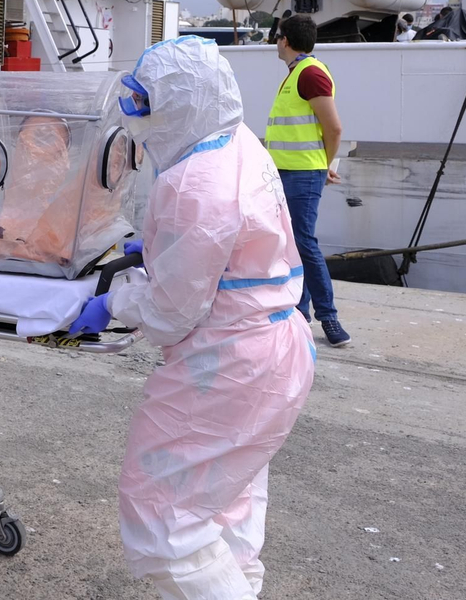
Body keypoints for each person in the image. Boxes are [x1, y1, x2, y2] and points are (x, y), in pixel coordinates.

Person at [65, 35, 316, 600]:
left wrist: (114, 301)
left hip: (226, 362)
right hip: (276, 348)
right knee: (228, 501)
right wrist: (155, 254)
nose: (136, 120)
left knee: (164, 512)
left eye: (143, 104)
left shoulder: (193, 183)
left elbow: (170, 313)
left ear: (175, 105)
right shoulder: (237, 143)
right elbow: (224, 249)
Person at [266, 14, 350, 346]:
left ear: (284, 40)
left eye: (277, 37)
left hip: (302, 174)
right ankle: (299, 313)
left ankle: (328, 317)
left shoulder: (310, 74)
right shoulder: (297, 73)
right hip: (286, 173)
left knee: (303, 243)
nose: (276, 41)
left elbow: (334, 128)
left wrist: (322, 165)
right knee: (290, 244)